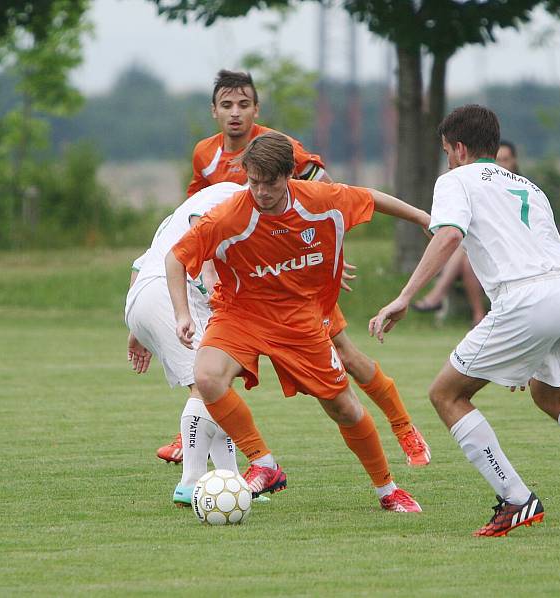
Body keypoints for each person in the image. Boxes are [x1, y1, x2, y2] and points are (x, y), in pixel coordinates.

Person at [370, 105, 560, 535]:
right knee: (550, 395)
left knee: (446, 395)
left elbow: (448, 233)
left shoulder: (455, 179)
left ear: (460, 148)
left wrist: (404, 297)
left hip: (527, 299)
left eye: (447, 150)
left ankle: (516, 498)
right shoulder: (527, 185)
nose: (447, 158)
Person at [157, 69, 431, 469]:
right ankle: (200, 433)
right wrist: (210, 267)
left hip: (298, 281)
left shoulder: (279, 147)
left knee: (347, 356)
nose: (236, 113)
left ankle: (403, 427)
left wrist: (327, 251)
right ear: (214, 111)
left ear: (256, 109)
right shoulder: (205, 154)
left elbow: (332, 195)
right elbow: (200, 214)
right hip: (246, 285)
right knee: (212, 361)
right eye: (227, 105)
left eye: (244, 104)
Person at [126, 182, 246, 506]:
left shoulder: (177, 215)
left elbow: (142, 262)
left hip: (146, 295)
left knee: (218, 388)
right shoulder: (232, 194)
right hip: (171, 294)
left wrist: (138, 327)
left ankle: (231, 482)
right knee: (205, 385)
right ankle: (190, 484)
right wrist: (209, 275)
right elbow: (201, 223)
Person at [410, 140, 519, 325]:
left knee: (460, 243)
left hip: (510, 253)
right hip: (486, 252)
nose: (500, 165)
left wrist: (405, 295)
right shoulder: (526, 188)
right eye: (498, 159)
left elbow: (452, 235)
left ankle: (441, 297)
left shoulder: (514, 187)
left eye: (505, 160)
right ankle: (478, 315)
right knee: (466, 252)